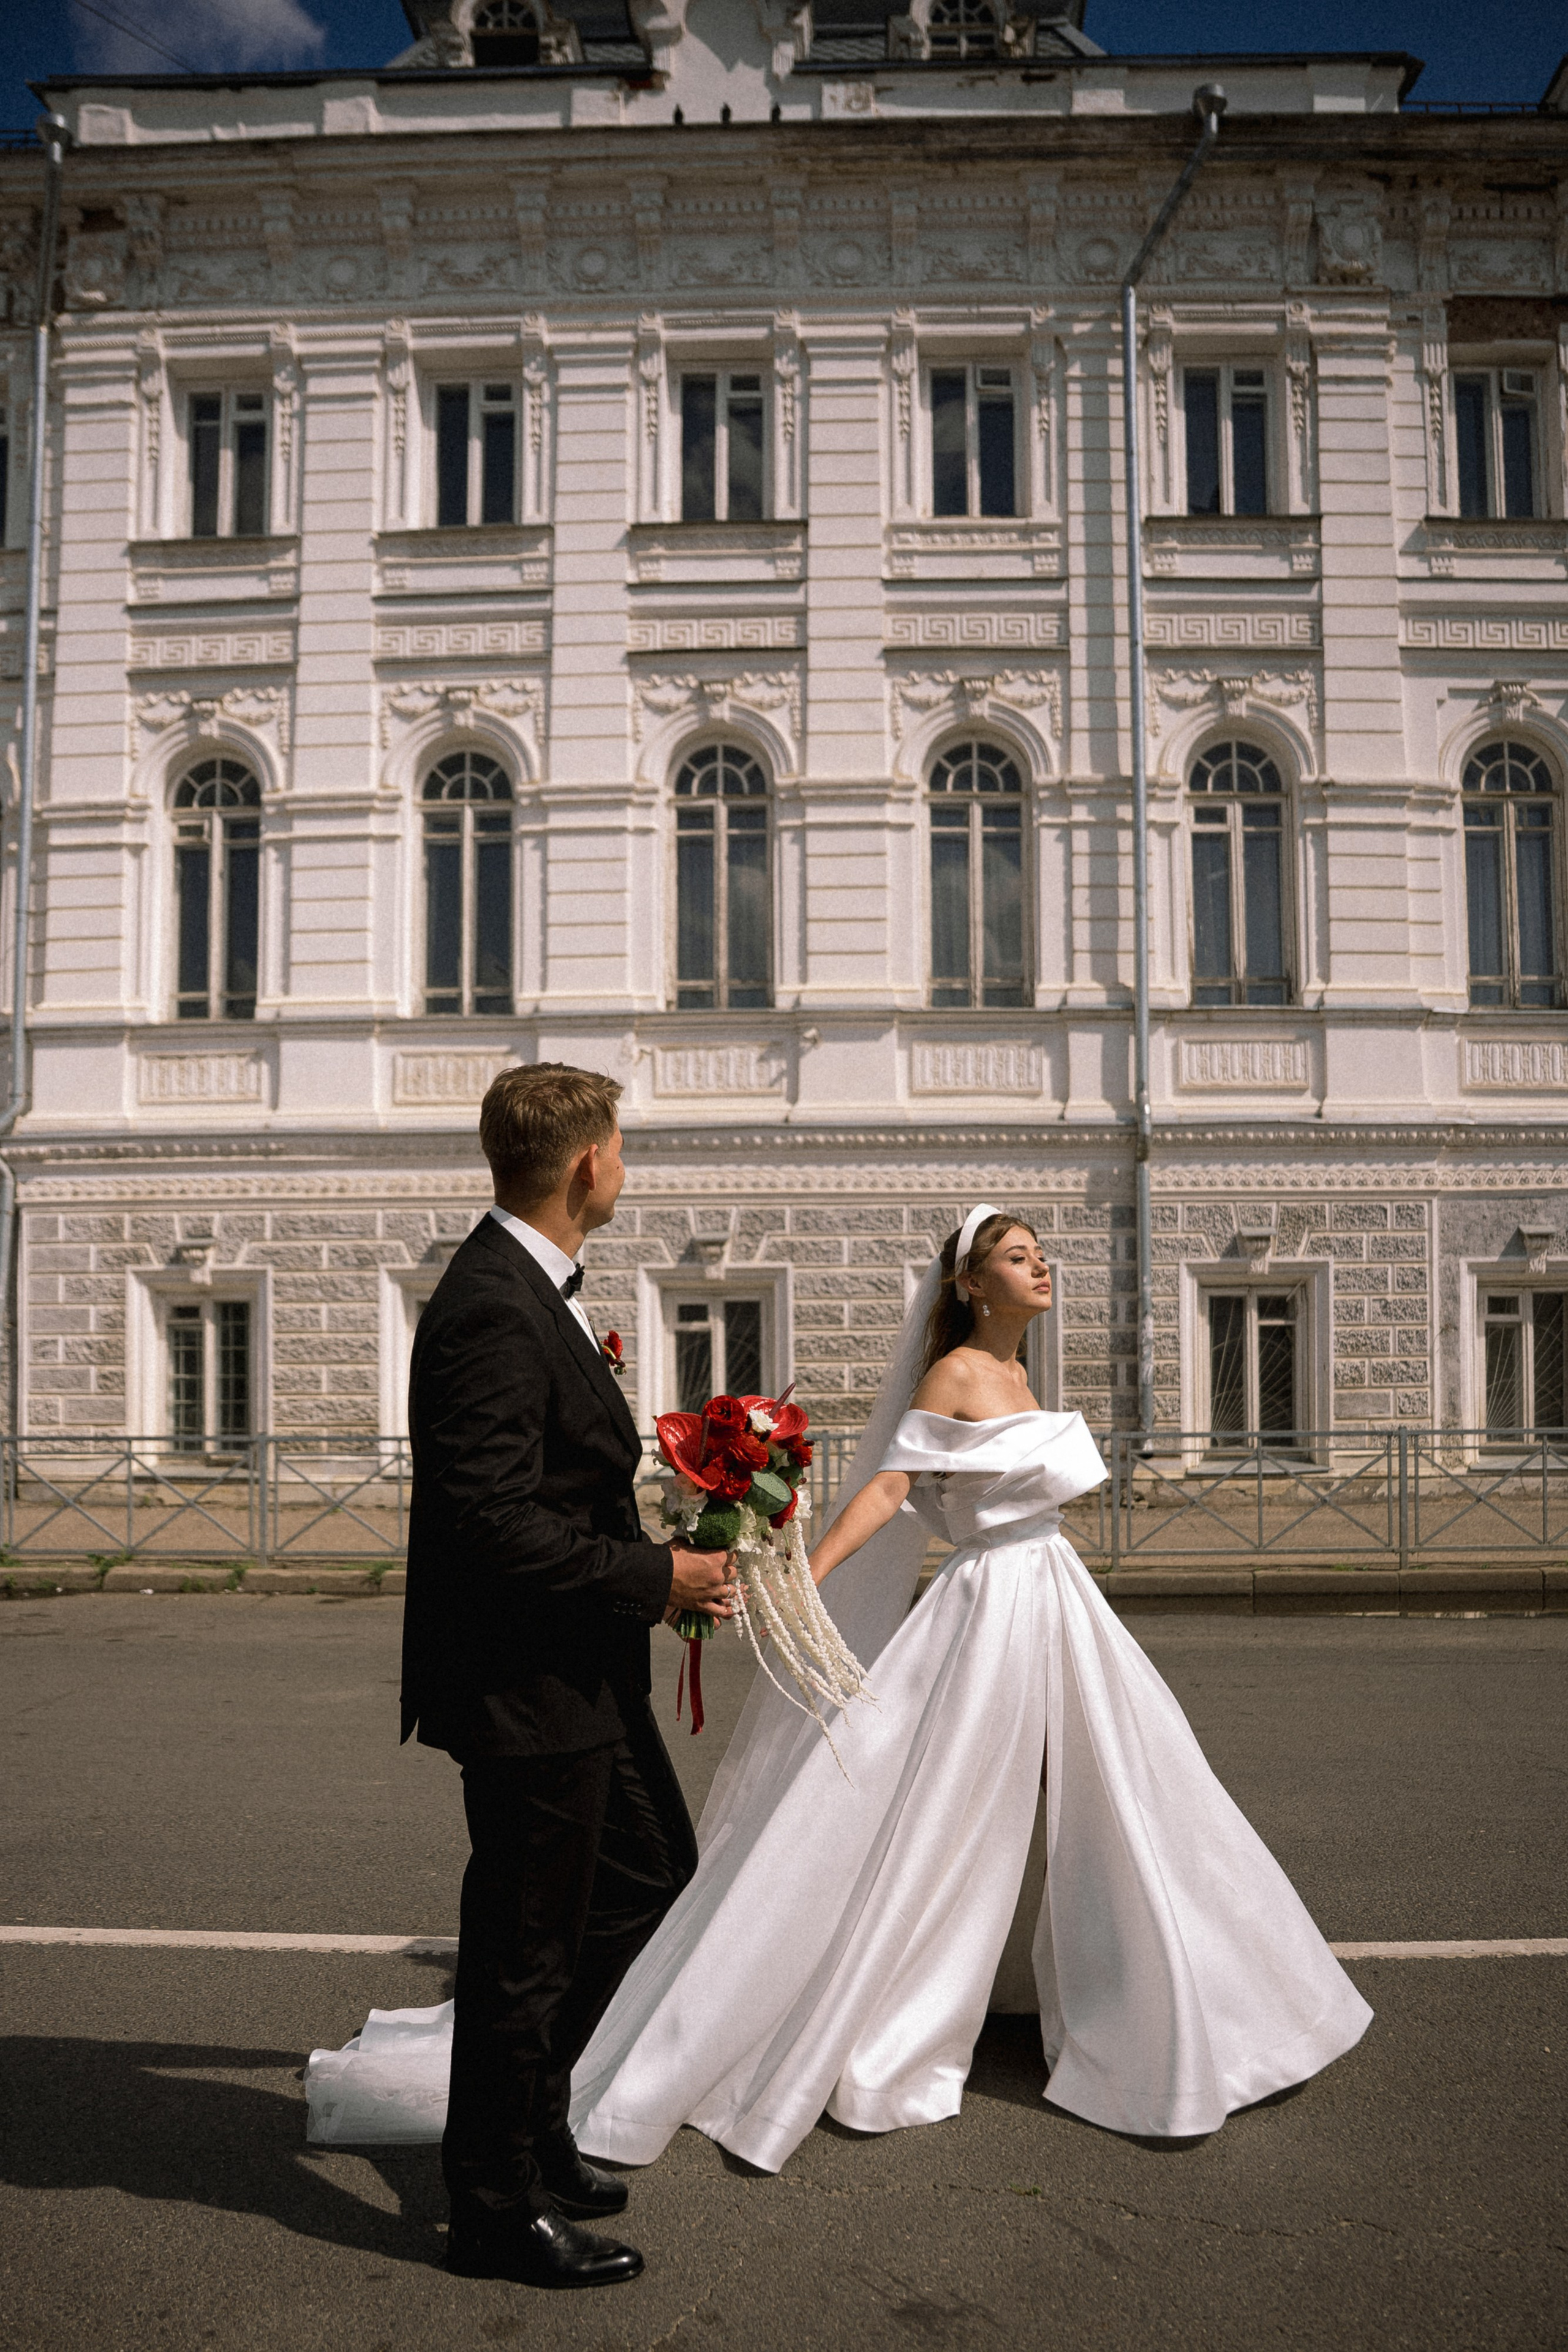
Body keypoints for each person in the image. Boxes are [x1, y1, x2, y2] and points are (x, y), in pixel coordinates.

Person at [311, 1202, 1371, 2188]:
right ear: (970, 1281)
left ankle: (1156, 1989)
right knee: (953, 1813)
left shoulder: (1022, 1375)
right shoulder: (956, 1371)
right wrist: (800, 1578)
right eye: (1016, 1253)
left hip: (1058, 1604)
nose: (1040, 1263)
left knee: (1131, 1794)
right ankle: (898, 1996)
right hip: (991, 1612)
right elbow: (894, 1489)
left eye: (1041, 1250)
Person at [385, 1063, 733, 2288]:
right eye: (620, 1148)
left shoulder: (532, 1290)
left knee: (646, 1878)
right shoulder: (492, 1300)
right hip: (525, 1683)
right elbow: (486, 1519)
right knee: (523, 1945)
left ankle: (533, 2120)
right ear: (586, 1164)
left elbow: (547, 1484)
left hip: (579, 1672)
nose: (624, 1166)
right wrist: (657, 1580)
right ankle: (489, 2207)